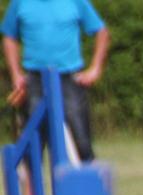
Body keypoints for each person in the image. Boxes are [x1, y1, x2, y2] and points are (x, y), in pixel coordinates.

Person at [0, 0, 110, 162]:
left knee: (82, 143)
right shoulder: (20, 3)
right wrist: (16, 74)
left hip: (69, 79)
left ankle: (85, 183)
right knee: (31, 147)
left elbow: (101, 32)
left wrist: (95, 69)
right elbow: (9, 37)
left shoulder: (76, 2)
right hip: (34, 80)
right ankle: (31, 186)